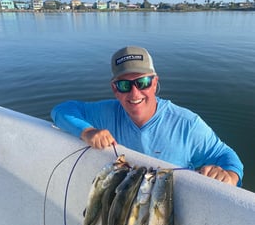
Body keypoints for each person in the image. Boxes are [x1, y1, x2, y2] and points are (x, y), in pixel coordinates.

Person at [51, 46, 243, 186]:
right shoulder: (106, 113)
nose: (134, 94)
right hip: (124, 197)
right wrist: (88, 131)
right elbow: (61, 110)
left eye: (142, 82)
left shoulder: (187, 125)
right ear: (114, 89)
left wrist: (229, 176)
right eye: (125, 85)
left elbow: (226, 156)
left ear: (154, 83)